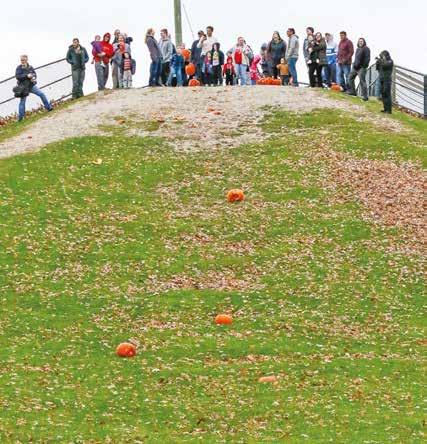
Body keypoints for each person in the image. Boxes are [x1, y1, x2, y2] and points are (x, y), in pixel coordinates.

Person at [14, 55, 52, 121]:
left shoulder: (30, 67)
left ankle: (48, 107)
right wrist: (27, 76)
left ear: (26, 60)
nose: (22, 61)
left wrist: (33, 77)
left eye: (23, 60)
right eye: (21, 60)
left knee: (41, 94)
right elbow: (18, 77)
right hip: (23, 87)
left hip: (31, 86)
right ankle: (21, 118)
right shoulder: (19, 68)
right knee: (22, 102)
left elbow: (34, 74)